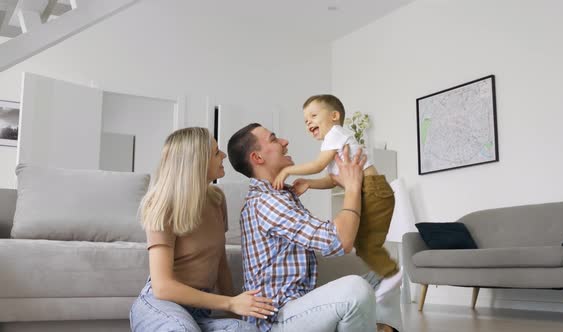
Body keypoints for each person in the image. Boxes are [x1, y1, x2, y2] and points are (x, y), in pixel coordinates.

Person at [227, 123, 402, 332]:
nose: (285, 142)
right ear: (257, 158)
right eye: (274, 139)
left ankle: (381, 328)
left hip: (300, 304)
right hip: (277, 321)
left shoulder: (281, 195)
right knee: (356, 289)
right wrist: (353, 188)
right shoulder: (266, 202)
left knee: (384, 269)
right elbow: (339, 240)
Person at [130, 127, 277, 332]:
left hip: (199, 312)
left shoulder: (216, 198)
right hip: (160, 304)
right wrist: (229, 302)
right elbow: (162, 287)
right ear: (196, 162)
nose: (224, 155)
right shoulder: (162, 204)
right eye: (216, 152)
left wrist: (239, 313)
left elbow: (220, 264)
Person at [273, 94, 401, 294]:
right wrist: (309, 184)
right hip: (368, 191)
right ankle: (383, 276)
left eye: (314, 116)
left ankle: (391, 274)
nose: (309, 123)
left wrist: (287, 171)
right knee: (362, 244)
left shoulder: (335, 134)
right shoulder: (333, 146)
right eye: (306, 121)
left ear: (334, 116)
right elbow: (333, 179)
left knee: (367, 245)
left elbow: (317, 165)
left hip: (373, 190)